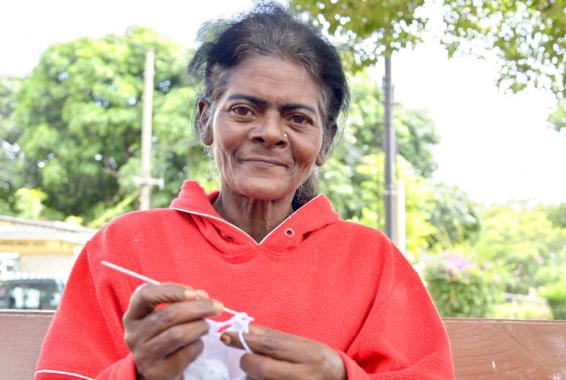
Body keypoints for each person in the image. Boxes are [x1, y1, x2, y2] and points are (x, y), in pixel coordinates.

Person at [34, 3, 454, 379]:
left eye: (298, 119)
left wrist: (340, 376)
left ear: (325, 142)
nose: (270, 133)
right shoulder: (123, 248)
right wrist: (139, 374)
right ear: (205, 121)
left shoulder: (372, 260)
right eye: (243, 110)